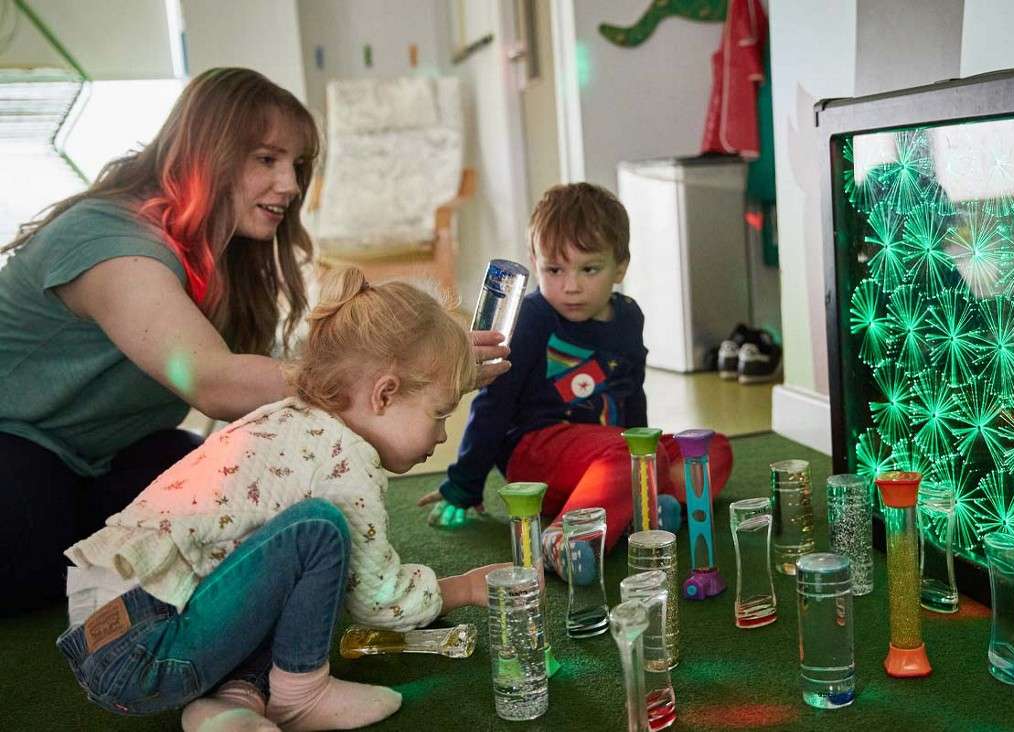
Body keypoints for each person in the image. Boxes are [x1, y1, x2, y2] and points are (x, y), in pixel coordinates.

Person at [0, 67, 509, 613]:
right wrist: (375, 374)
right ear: (205, 152)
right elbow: (213, 379)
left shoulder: (228, 261)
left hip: (106, 456)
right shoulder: (109, 240)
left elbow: (270, 393)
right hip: (18, 444)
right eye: (266, 159)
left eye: (297, 165)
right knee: (37, 567)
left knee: (210, 502)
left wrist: (418, 363)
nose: (290, 185)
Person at [57, 268, 505, 731]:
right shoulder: (344, 456)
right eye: (439, 413)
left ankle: (234, 702)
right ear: (384, 394)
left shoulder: (287, 419)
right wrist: (465, 588)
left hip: (105, 637)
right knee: (318, 531)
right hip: (143, 644)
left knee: (279, 559)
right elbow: (377, 599)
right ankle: (302, 695)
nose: (442, 434)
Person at [418, 183, 734, 582]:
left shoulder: (629, 318)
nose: (571, 286)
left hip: (606, 457)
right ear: (534, 262)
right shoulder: (531, 319)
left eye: (589, 269)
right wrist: (465, 482)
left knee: (710, 448)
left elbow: (632, 395)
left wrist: (647, 450)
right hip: (536, 453)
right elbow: (493, 403)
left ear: (620, 266)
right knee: (630, 455)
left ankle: (642, 505)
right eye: (555, 269)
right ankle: (562, 540)